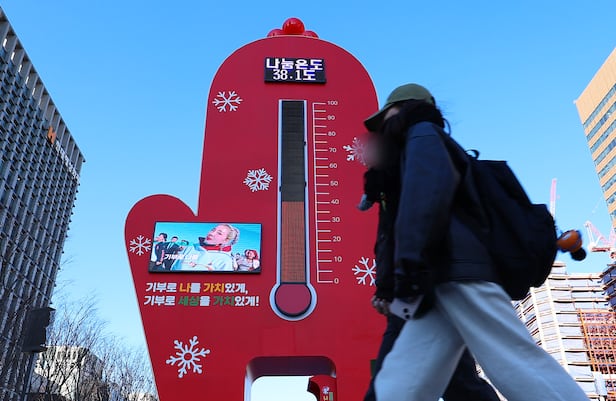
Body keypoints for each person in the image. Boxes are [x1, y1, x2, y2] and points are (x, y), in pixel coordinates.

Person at [364, 83, 590, 401]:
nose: (381, 129)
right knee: (399, 385)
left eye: (386, 116)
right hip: (439, 279)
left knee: (516, 364)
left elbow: (425, 198)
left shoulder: (422, 134)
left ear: (403, 109)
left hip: (457, 271)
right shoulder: (410, 152)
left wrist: (409, 265)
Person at [358, 130, 499, 401]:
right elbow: (390, 244)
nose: (367, 151)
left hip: (422, 289)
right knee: (460, 382)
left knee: (391, 382)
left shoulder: (413, 167)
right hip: (417, 289)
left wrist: (395, 286)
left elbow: (413, 230)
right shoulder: (390, 184)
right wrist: (386, 289)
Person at [174, 224, 239, 271]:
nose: (211, 233)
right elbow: (174, 267)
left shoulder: (225, 260)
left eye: (219, 233)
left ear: (226, 240)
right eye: (213, 230)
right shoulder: (191, 247)